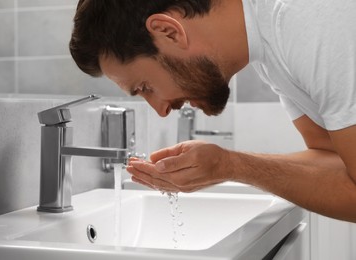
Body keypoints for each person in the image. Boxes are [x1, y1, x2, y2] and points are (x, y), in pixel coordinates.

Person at [69, 0, 356, 222]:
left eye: (145, 87)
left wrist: (230, 166)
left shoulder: (307, 20)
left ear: (168, 31)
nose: (160, 110)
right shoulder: (269, 46)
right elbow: (333, 159)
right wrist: (227, 164)